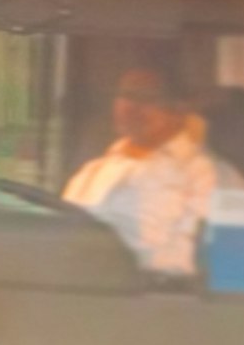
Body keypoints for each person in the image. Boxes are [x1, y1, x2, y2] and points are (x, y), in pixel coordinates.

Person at [62, 65, 223, 278]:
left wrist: (117, 267)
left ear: (178, 111)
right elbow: (60, 238)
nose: (130, 107)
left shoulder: (203, 173)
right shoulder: (91, 171)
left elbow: (195, 258)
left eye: (146, 98)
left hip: (151, 300)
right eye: (125, 95)